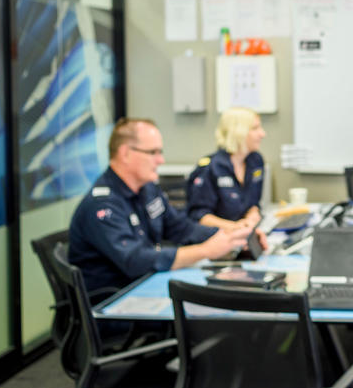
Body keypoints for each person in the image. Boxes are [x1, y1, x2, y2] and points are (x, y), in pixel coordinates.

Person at [69, 117, 259, 297]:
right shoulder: (102, 205)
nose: (161, 160)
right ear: (125, 153)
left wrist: (233, 235)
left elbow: (181, 228)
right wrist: (206, 250)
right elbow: (135, 260)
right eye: (153, 152)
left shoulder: (147, 190)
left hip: (146, 287)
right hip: (118, 305)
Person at [185, 107, 266, 230]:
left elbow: (253, 203)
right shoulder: (210, 168)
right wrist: (235, 227)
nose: (262, 134)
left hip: (246, 235)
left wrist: (253, 213)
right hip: (218, 240)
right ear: (238, 132)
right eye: (255, 128)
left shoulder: (256, 161)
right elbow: (199, 216)